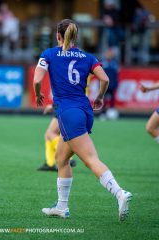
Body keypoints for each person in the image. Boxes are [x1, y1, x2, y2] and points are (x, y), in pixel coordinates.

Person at [33, 19, 132, 221]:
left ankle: (120, 193)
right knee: (61, 158)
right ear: (76, 37)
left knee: (90, 160)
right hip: (85, 111)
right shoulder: (88, 57)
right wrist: (100, 97)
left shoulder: (49, 54)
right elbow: (105, 79)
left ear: (58, 36)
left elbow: (36, 80)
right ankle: (61, 207)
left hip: (68, 113)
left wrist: (37, 94)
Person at [37, 104, 77, 171]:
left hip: (64, 106)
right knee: (47, 135)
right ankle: (50, 164)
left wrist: (53, 106)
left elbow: (64, 94)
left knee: (51, 133)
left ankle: (69, 158)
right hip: (70, 106)